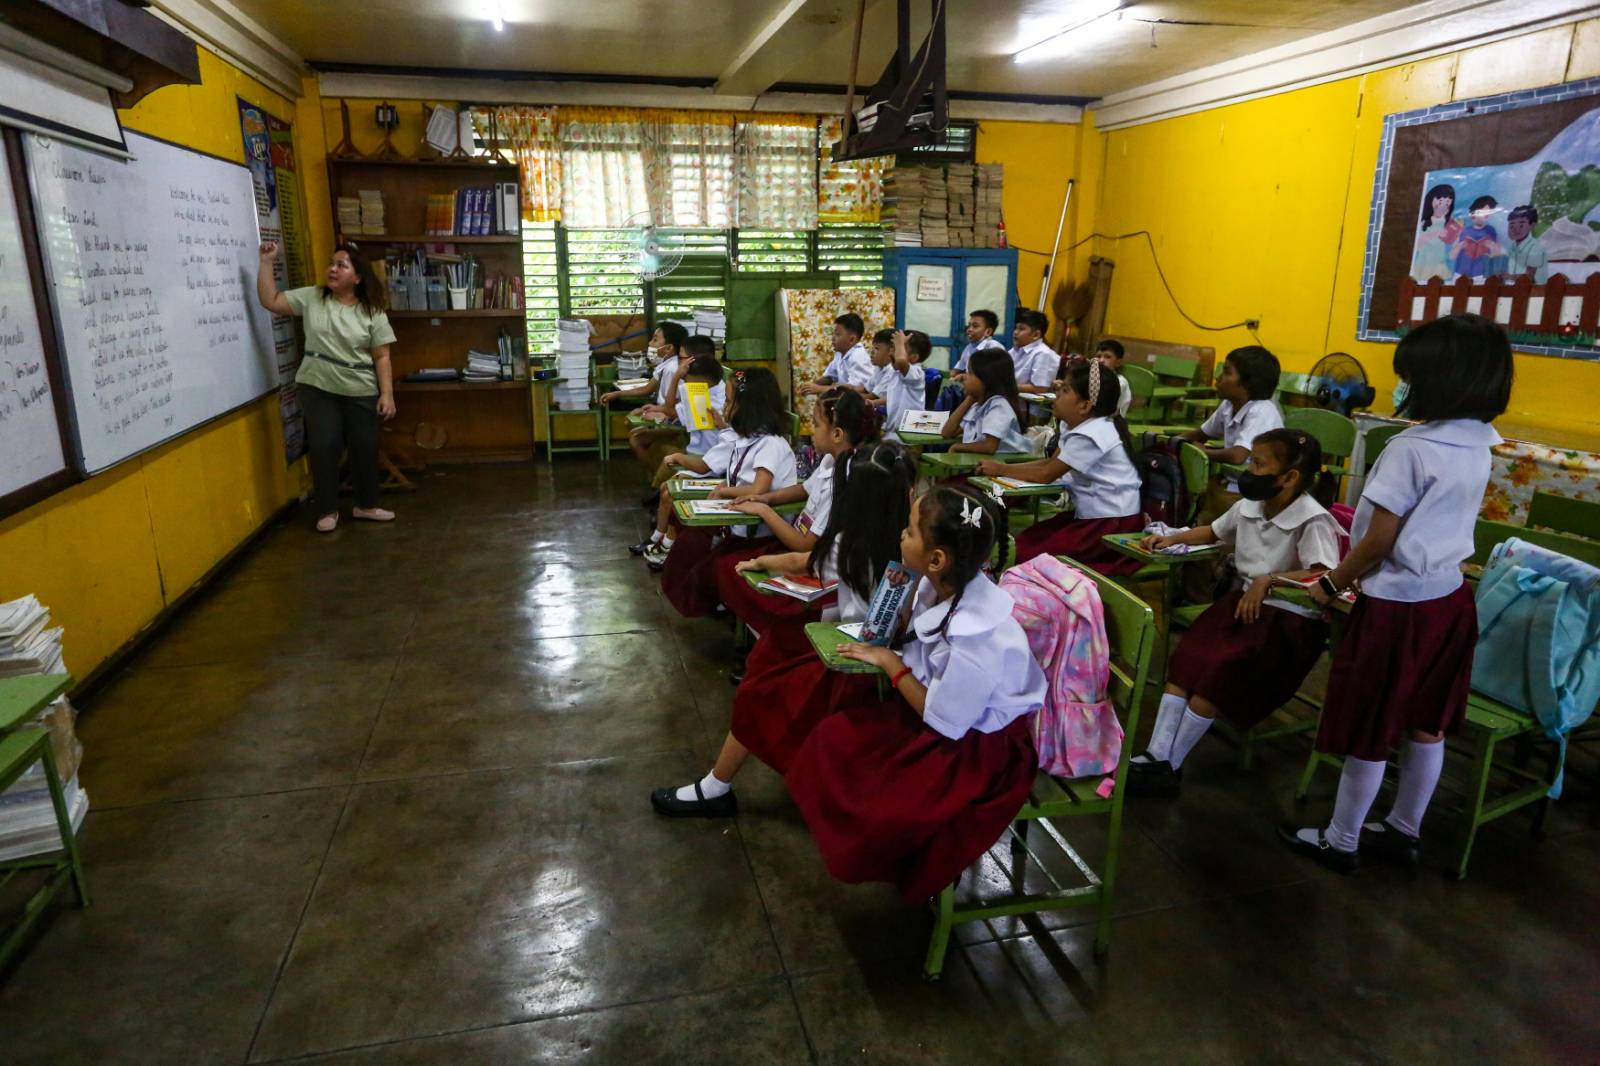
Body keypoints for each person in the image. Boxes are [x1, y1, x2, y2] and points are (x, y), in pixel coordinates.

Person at [1282, 313, 1512, 873]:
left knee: (1372, 723)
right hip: (1450, 600)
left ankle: (1341, 839)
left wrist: (1333, 582)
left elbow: (1380, 540)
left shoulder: (1412, 447)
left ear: (1438, 379)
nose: (1401, 385)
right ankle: (1404, 830)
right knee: (1424, 722)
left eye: (1407, 374)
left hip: (1397, 606)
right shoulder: (1481, 443)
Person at [784, 485, 1047, 902]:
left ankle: (907, 869)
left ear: (937, 559)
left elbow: (944, 719)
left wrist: (890, 664)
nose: (900, 538)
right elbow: (910, 638)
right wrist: (900, 601)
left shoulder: (979, 637)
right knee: (833, 737)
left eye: (908, 532)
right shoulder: (936, 584)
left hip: (980, 750)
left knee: (880, 803)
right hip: (942, 717)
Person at [650, 442, 918, 817]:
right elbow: (809, 560)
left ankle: (716, 786)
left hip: (857, 665)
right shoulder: (905, 544)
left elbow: (814, 561)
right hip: (856, 649)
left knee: (762, 692)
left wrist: (764, 560)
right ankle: (726, 780)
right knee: (773, 649)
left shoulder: (864, 546)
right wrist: (764, 560)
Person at [1128, 429, 1343, 796]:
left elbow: (1323, 573)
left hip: (1287, 620)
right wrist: (1173, 538)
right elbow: (1212, 532)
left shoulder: (1313, 519)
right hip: (1243, 607)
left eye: (1258, 463)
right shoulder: (1250, 506)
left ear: (1289, 477)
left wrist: (1268, 580)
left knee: (1218, 674)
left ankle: (1171, 765)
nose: (1249, 469)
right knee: (1187, 661)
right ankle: (1156, 756)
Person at [710, 388, 881, 636]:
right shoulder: (830, 460)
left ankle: (763, 633)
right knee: (725, 561)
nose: (811, 430)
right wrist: (766, 497)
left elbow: (804, 547)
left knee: (732, 569)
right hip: (805, 550)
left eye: (816, 423)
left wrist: (765, 511)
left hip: (816, 563)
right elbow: (804, 489)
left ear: (837, 434)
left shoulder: (846, 482)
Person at [257, 240, 396, 533]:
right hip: (318, 386)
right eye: (331, 263)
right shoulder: (312, 297)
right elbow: (271, 300)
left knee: (364, 447)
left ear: (357, 277)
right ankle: (327, 510)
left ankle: (366, 505)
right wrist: (267, 262)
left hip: (360, 388)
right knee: (324, 446)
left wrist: (387, 394)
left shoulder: (372, 312)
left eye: (341, 265)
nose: (332, 269)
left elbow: (382, 356)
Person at [976, 362, 1142, 573]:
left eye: (1065, 390)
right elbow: (1048, 463)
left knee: (1030, 554)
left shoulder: (1093, 433)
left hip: (1110, 523)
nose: (1057, 393)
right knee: (1026, 539)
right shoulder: (1075, 425)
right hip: (1091, 517)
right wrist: (1001, 468)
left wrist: (1001, 469)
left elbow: (1047, 474)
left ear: (1084, 406)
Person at [658, 368, 798, 616]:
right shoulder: (746, 439)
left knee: (705, 568)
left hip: (759, 534)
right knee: (687, 545)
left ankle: (723, 606)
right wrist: (725, 486)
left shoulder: (771, 444)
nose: (724, 405)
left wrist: (727, 491)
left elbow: (758, 489)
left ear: (749, 406)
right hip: (736, 523)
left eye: (730, 400)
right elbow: (740, 476)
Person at [628, 347, 727, 556]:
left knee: (668, 486)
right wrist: (676, 379)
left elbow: (670, 410)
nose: (686, 384)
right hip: (702, 457)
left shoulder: (711, 401)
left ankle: (662, 542)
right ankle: (658, 539)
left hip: (711, 463)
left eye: (687, 380)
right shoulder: (701, 393)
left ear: (702, 382)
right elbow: (671, 409)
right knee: (666, 487)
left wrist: (675, 380)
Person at [1174, 345, 1283, 496]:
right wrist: (1172, 442)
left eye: (1226, 372)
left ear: (1248, 383)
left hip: (1254, 491)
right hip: (1231, 481)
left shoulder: (1262, 410)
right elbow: (1201, 434)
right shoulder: (1229, 405)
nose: (1217, 377)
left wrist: (1200, 451)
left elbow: (1238, 456)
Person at [599, 322, 692, 485]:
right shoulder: (665, 365)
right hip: (666, 415)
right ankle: (659, 478)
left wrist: (660, 412)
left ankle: (659, 481)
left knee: (637, 438)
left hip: (675, 422)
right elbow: (647, 389)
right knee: (634, 427)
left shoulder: (673, 369)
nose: (650, 344)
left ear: (669, 348)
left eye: (655, 340)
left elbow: (678, 403)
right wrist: (617, 393)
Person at [940, 348, 1030, 455]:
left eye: (970, 373)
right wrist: (969, 400)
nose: (964, 377)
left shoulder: (999, 406)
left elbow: (989, 446)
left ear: (987, 379)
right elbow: (947, 432)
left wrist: (957, 447)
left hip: (1001, 467)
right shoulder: (978, 405)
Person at [872, 329, 930, 438]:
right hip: (895, 430)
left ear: (913, 358)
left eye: (900, 348)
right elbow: (894, 397)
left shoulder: (916, 373)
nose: (893, 350)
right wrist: (874, 402)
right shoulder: (896, 373)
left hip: (909, 433)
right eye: (893, 347)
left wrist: (899, 343)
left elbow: (901, 361)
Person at [798, 314, 873, 396]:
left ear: (852, 339)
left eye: (837, 334)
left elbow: (853, 389)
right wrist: (811, 385)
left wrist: (819, 389)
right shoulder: (839, 353)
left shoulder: (858, 356)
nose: (833, 338)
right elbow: (830, 377)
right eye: (833, 334)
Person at [1410, 183, 1461, 283]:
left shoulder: (1450, 223)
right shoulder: (1423, 222)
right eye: (1440, 201)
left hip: (1439, 265)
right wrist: (1435, 234)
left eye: (1447, 203)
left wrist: (1459, 237)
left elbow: (1453, 252)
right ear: (1431, 200)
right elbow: (1418, 245)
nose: (1443, 206)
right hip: (1423, 265)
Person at [1011, 309, 1059, 396]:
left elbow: (1040, 388)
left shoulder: (1043, 353)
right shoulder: (1014, 350)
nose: (1015, 332)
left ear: (1036, 335)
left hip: (1029, 407)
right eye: (1016, 328)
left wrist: (1005, 386)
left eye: (1021, 329)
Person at [1452, 195, 1501, 278]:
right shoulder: (1464, 231)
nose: (1483, 216)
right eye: (1481, 212)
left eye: (1487, 214)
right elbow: (1452, 255)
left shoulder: (1491, 231)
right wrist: (1460, 246)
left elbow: (1497, 254)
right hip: (1460, 272)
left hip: (1481, 274)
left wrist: (1492, 246)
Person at [951, 310, 1005, 381]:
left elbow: (989, 378)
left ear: (988, 332)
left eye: (975, 326)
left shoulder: (995, 348)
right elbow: (957, 370)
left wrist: (963, 377)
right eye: (969, 325)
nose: (969, 329)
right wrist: (941, 374)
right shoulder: (969, 347)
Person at [1504, 205, 1548, 284]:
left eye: (1521, 225)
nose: (1515, 230)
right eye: (1511, 226)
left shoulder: (1536, 247)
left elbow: (1529, 276)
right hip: (1515, 289)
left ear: (1532, 225)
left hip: (1535, 291)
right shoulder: (1512, 247)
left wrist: (1508, 276)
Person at [1095, 338, 1133, 418]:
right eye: (1098, 356)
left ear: (1118, 362)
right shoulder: (1095, 376)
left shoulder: (1120, 382)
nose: (1101, 360)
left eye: (1107, 357)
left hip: (1111, 423)